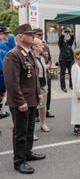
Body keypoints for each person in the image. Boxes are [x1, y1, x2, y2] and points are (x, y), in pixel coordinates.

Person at [3, 24, 46, 174]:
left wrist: (38, 93)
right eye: (30, 34)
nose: (33, 36)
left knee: (29, 129)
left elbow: (33, 77)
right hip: (21, 101)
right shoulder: (13, 55)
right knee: (20, 132)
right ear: (20, 37)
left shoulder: (28, 53)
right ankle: (19, 161)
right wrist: (20, 101)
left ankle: (27, 153)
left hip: (32, 98)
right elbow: (12, 82)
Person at [33, 28, 55, 118]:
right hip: (37, 75)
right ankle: (35, 114)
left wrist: (48, 65)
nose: (41, 36)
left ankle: (46, 110)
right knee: (36, 94)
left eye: (42, 34)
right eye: (39, 35)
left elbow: (49, 59)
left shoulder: (45, 47)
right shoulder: (32, 47)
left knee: (47, 93)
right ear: (34, 35)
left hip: (46, 73)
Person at [31, 38, 51, 132]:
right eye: (40, 45)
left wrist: (46, 67)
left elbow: (42, 70)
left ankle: (43, 124)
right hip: (34, 86)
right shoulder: (30, 57)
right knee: (33, 108)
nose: (43, 46)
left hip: (43, 84)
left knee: (43, 106)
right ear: (34, 47)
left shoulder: (42, 58)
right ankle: (31, 130)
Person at [0, 26, 15, 119]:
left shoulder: (5, 42)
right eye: (4, 34)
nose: (7, 35)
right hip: (2, 73)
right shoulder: (2, 44)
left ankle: (2, 111)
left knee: (2, 94)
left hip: (4, 72)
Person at [58, 27, 74, 92]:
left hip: (70, 60)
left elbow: (72, 39)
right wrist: (63, 33)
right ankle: (63, 87)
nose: (66, 35)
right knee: (62, 74)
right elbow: (60, 40)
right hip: (63, 60)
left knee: (71, 73)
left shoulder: (69, 43)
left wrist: (71, 33)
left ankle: (71, 85)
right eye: (65, 34)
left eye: (67, 34)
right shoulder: (61, 43)